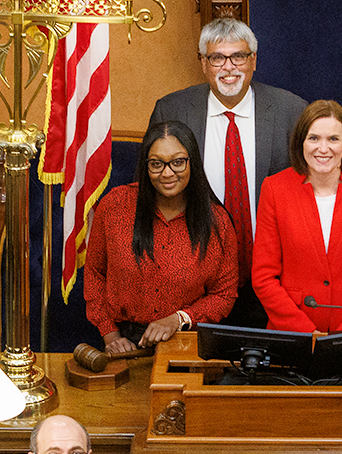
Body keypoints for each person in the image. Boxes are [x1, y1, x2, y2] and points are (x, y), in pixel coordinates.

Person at [148, 19, 308, 326]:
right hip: (196, 280)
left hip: (276, 277)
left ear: (253, 61)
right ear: (203, 63)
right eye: (217, 58)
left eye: (238, 56)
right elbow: (150, 192)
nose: (229, 67)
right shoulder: (172, 110)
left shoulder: (291, 111)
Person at [82, 120, 240, 355]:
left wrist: (179, 319)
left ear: (192, 163)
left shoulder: (217, 222)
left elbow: (224, 294)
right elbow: (95, 274)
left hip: (186, 343)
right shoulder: (115, 206)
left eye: (177, 162)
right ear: (146, 166)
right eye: (156, 164)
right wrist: (110, 335)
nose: (167, 173)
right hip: (124, 345)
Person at [253, 100, 342, 334]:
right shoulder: (274, 189)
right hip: (293, 335)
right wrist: (306, 332)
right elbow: (263, 277)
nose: (323, 148)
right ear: (300, 142)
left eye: (333, 139)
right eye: (314, 138)